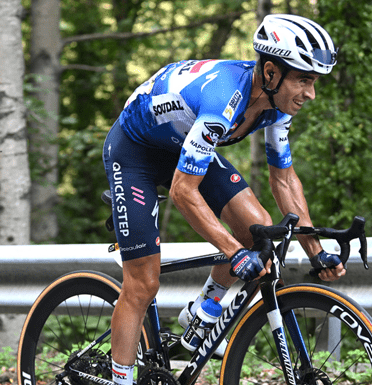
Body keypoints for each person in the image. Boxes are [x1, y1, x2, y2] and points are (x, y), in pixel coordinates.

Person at [103, 14, 344, 385]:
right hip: (134, 150)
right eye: (304, 80)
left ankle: (202, 312)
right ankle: (120, 378)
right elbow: (185, 192)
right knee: (143, 282)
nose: (310, 93)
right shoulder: (223, 101)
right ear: (271, 72)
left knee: (258, 230)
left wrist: (315, 250)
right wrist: (233, 253)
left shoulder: (276, 105)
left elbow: (284, 178)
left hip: (181, 143)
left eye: (313, 82)